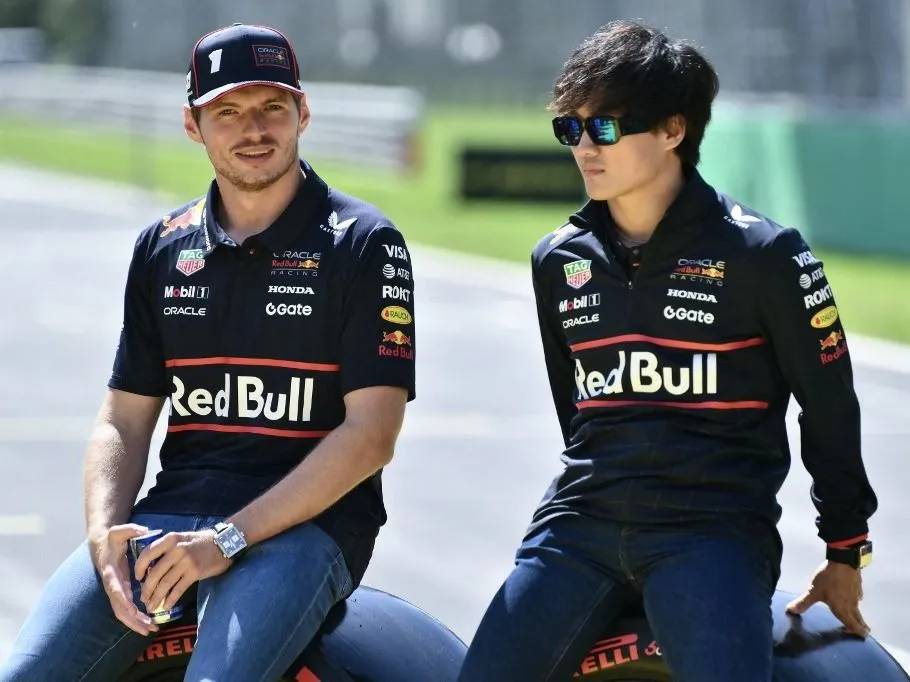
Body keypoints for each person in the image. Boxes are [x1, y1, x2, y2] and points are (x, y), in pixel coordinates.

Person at [457, 19, 877, 682]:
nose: (583, 149)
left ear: (674, 131)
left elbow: (829, 407)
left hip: (709, 534)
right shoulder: (557, 260)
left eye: (604, 128)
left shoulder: (765, 254)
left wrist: (846, 550)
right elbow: (580, 413)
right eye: (570, 129)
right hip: (579, 530)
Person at [0, 22, 416, 682]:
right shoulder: (162, 246)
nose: (254, 130)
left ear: (302, 112)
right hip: (170, 516)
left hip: (306, 529)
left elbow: (372, 435)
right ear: (195, 126)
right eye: (228, 112)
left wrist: (227, 539)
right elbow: (122, 419)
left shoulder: (365, 243)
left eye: (271, 107)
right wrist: (105, 537)